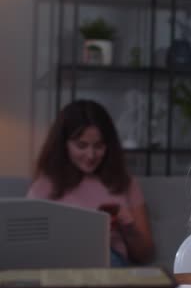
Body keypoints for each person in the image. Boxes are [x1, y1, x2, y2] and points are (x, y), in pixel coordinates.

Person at [27, 99, 154, 267]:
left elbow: (145, 255)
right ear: (64, 145)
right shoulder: (43, 187)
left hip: (112, 264)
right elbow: (30, 250)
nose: (91, 155)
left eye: (99, 146)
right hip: (62, 265)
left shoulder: (125, 182)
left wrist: (129, 228)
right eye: (81, 145)